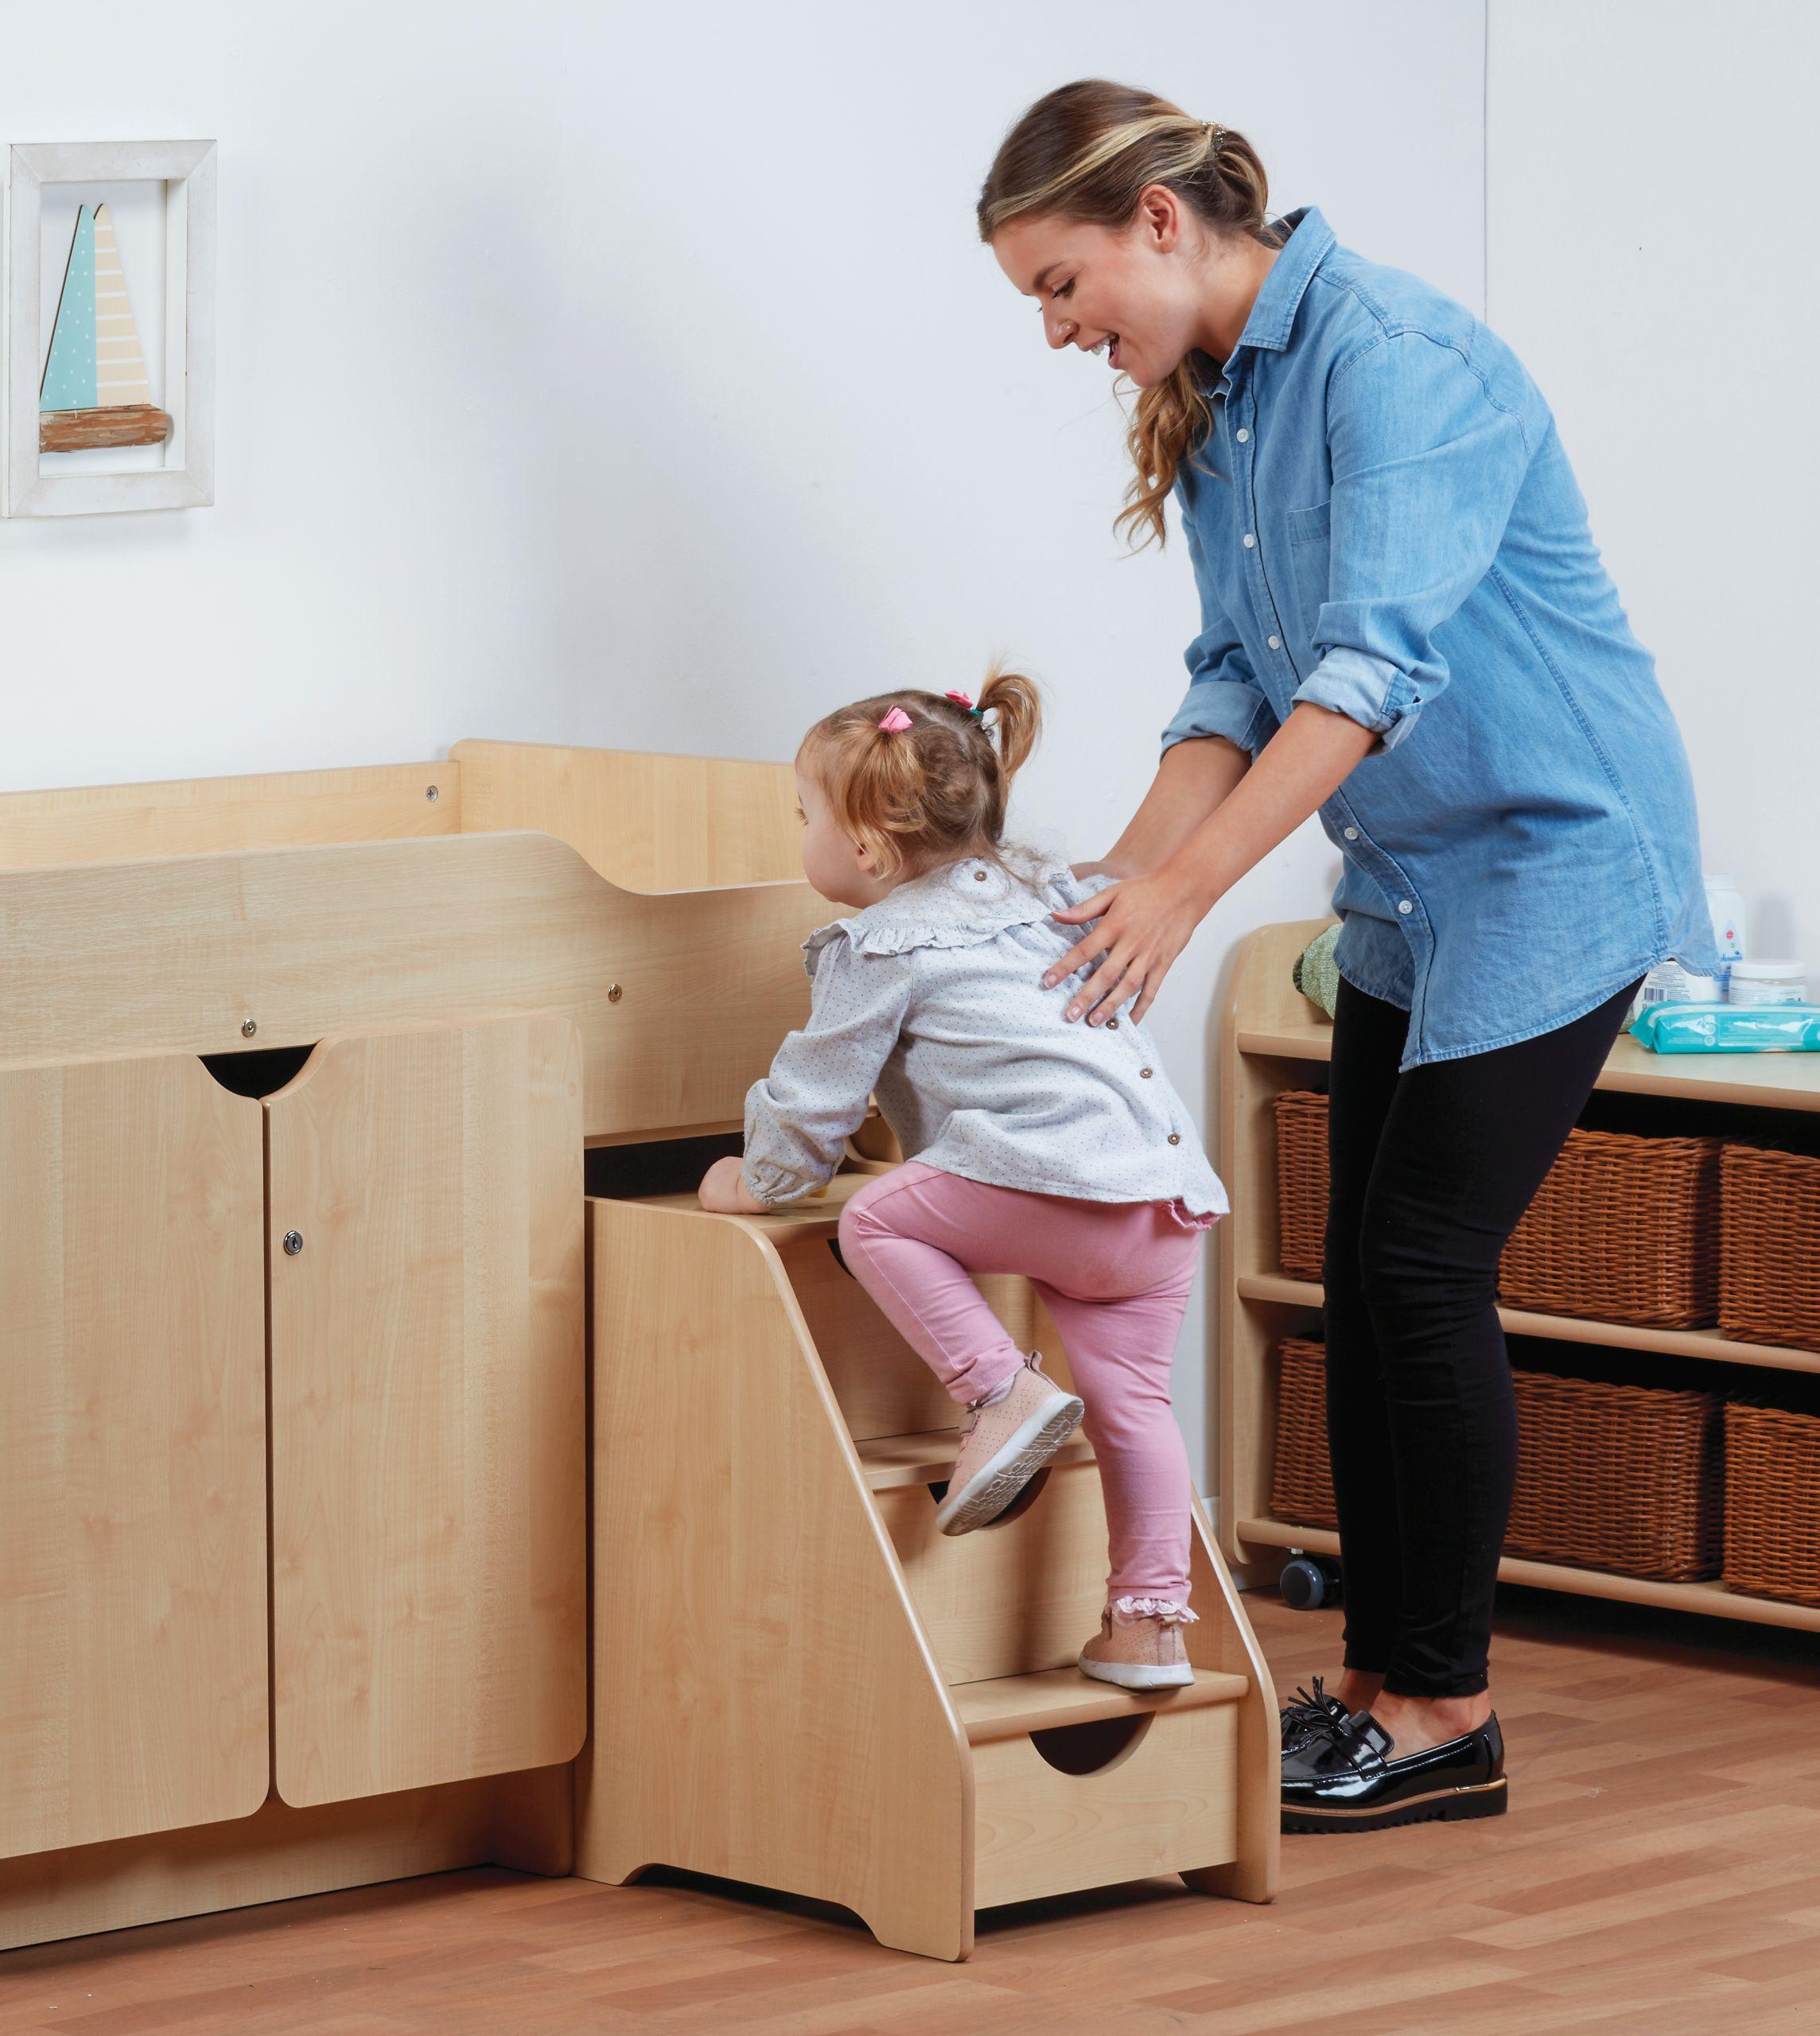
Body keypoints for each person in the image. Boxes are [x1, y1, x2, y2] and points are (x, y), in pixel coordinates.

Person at [976, 80, 1702, 1832]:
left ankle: (1444, 1705)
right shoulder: (1226, 400)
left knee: (1419, 1266)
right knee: (1364, 1273)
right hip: (1413, 880)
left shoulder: (1397, 360)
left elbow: (1365, 677)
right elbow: (1236, 672)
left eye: (1064, 287)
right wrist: (1117, 878)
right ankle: (1380, 1682)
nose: (1065, 331)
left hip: (1555, 858)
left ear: (1160, 220)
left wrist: (1192, 898)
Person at [700, 670, 1227, 1693]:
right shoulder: (1052, 891)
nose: (798, 831)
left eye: (802, 812)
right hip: (1162, 1196)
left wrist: (751, 1181)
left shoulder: (879, 944)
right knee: (1135, 1408)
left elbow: (815, 1110)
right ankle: (1149, 1626)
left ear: (864, 845)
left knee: (878, 1222)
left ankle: (998, 1390)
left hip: (1060, 1187)